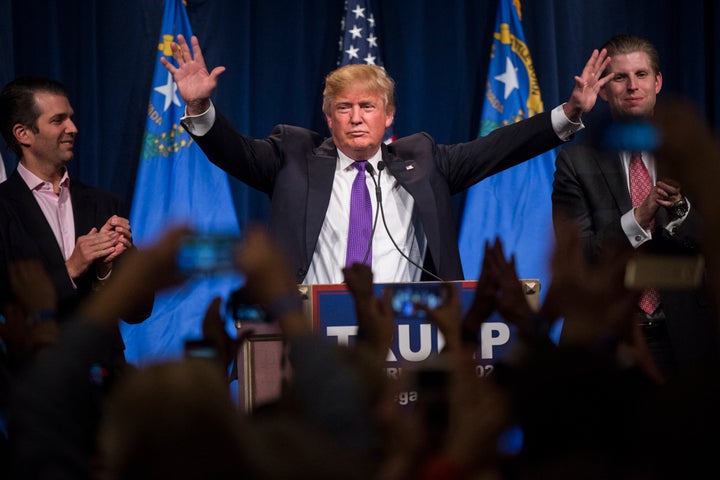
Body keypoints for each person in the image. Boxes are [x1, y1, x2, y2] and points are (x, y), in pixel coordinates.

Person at [161, 34, 611, 285]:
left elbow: (501, 146)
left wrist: (569, 113)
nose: (356, 118)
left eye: (368, 107)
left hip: (406, 331)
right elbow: (232, 151)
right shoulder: (292, 158)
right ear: (328, 116)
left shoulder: (424, 160)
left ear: (389, 115)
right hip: (312, 330)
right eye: (344, 107)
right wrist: (200, 108)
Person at [552, 34, 720, 380]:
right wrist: (638, 219)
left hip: (691, 343)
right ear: (603, 89)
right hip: (607, 344)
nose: (632, 86)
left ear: (657, 82)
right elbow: (580, 258)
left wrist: (681, 210)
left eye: (641, 75)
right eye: (620, 77)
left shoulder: (694, 157)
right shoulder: (576, 163)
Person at [0, 76, 153, 368]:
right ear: (23, 134)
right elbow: (8, 306)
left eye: (71, 118)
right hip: (37, 382)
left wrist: (108, 272)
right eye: (59, 120)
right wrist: (71, 268)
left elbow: (138, 311)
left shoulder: (105, 204)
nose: (73, 128)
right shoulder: (4, 208)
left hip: (106, 380)